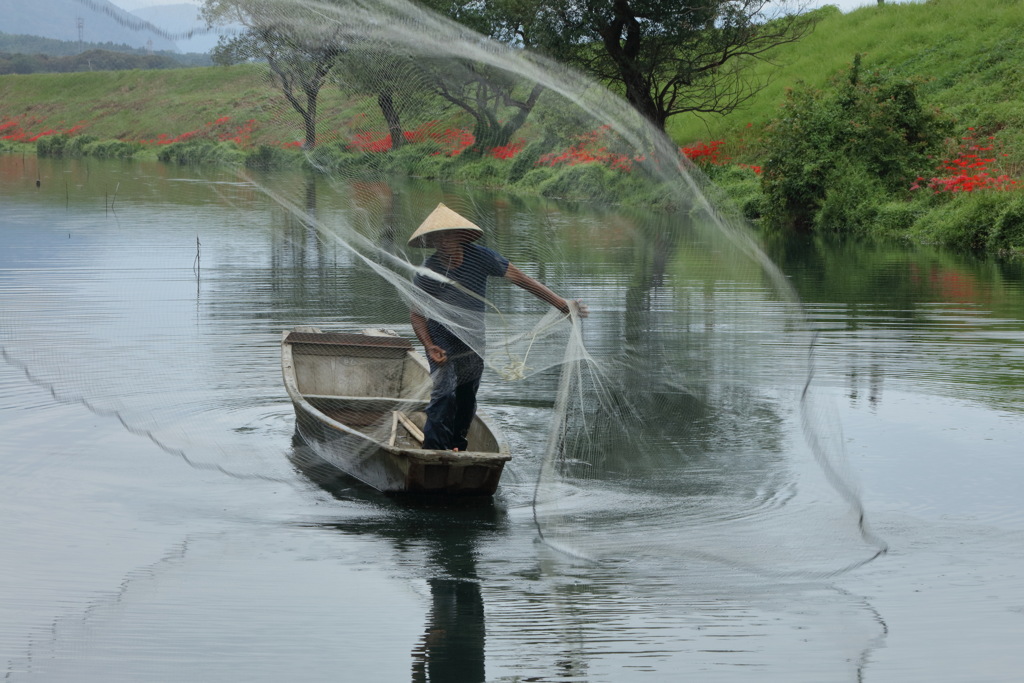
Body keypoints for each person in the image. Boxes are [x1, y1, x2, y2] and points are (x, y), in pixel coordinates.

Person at [409, 202, 588, 451]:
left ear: (459, 237)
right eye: (436, 239)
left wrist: (561, 305)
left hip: (473, 339)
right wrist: (429, 346)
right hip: (442, 340)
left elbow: (523, 280)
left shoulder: (482, 257)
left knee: (467, 394)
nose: (443, 243)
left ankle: (456, 446)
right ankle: (433, 451)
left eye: (447, 236)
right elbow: (417, 315)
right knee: (444, 393)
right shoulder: (428, 271)